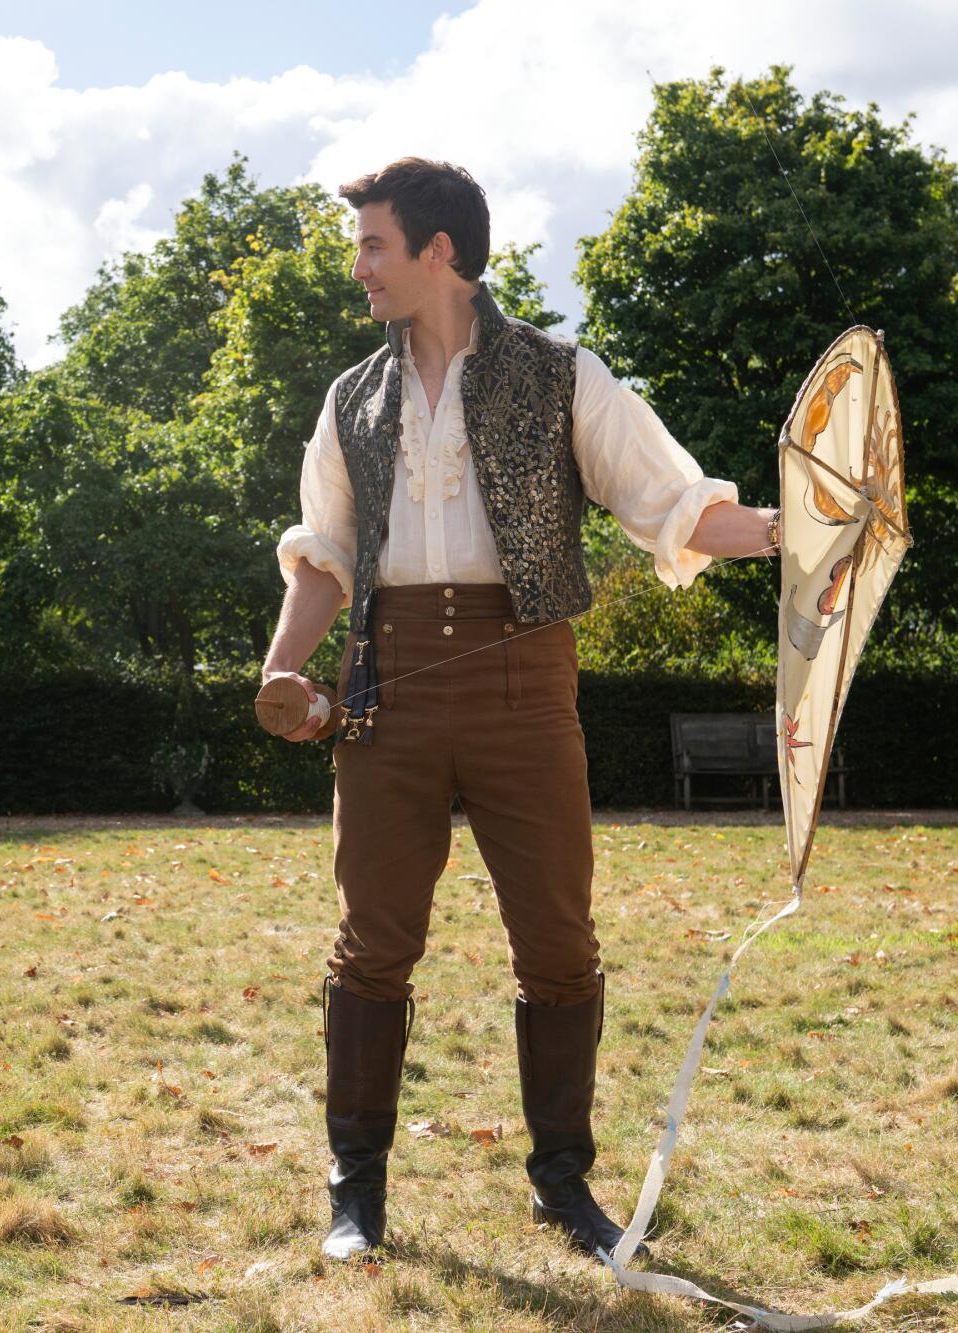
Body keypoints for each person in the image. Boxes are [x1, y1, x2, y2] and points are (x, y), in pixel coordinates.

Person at [260, 158, 780, 1261]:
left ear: (437, 251)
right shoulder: (351, 397)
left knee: (555, 941)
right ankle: (355, 1193)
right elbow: (324, 555)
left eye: (371, 245)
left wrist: (797, 533)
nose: (357, 268)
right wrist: (277, 671)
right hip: (384, 690)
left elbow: (671, 507)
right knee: (371, 946)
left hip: (524, 688)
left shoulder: (558, 375)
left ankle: (560, 1186)